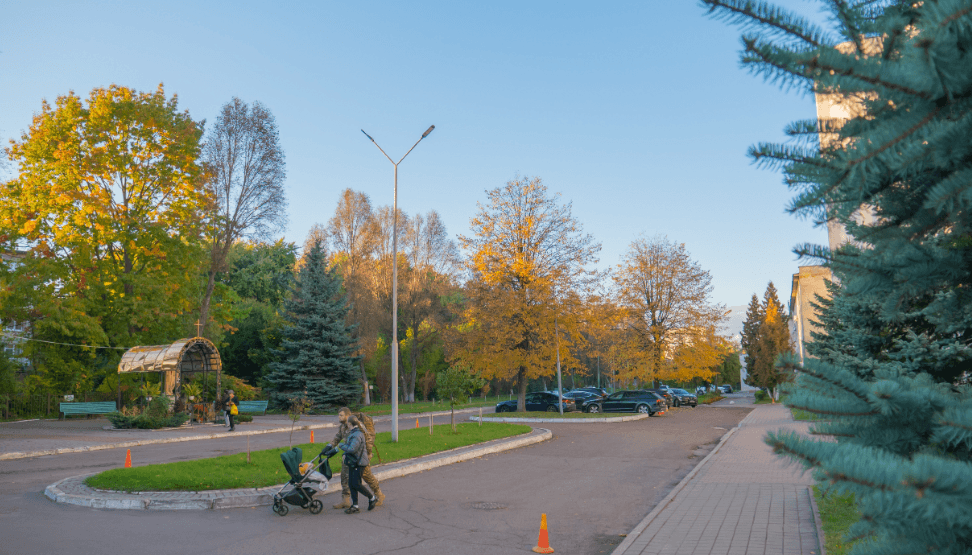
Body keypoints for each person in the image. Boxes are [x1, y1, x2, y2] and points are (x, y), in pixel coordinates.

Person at [329, 407, 384, 509]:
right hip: (349, 455)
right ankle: (345, 500)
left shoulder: (357, 425)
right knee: (344, 476)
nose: (339, 417)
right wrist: (329, 446)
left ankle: (379, 495)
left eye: (341, 415)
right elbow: (338, 437)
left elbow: (368, 439)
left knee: (367, 476)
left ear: (347, 416)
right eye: (339, 415)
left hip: (360, 456)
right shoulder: (343, 426)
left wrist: (369, 453)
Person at [337, 416, 378, 514]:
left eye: (347, 423)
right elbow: (351, 447)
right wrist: (345, 454)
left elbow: (352, 449)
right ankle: (355, 506)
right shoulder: (354, 432)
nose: (347, 424)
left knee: (356, 484)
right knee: (351, 484)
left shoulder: (356, 434)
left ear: (350, 424)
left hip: (359, 463)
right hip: (354, 462)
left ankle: (372, 498)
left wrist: (341, 445)